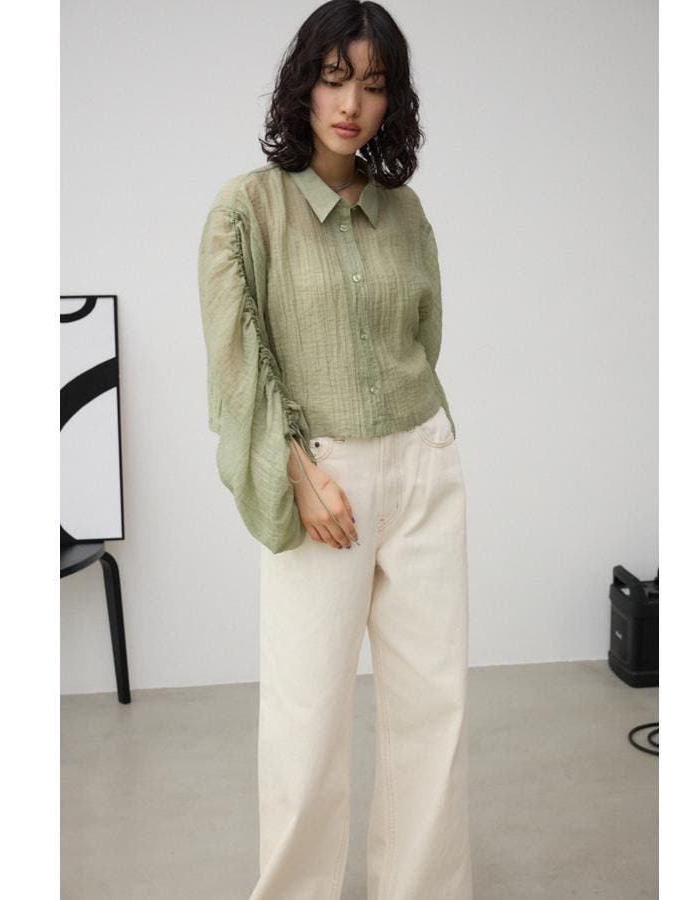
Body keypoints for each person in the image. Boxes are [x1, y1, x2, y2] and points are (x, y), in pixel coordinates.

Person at [197, 2, 472, 897]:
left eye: (374, 85)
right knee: (307, 719)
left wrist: (419, 445)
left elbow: (424, 340)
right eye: (335, 77)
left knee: (434, 707)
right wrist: (299, 466)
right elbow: (238, 360)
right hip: (324, 478)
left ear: (393, 102)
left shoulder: (406, 212)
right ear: (304, 85)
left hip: (424, 463)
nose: (352, 103)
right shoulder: (249, 208)